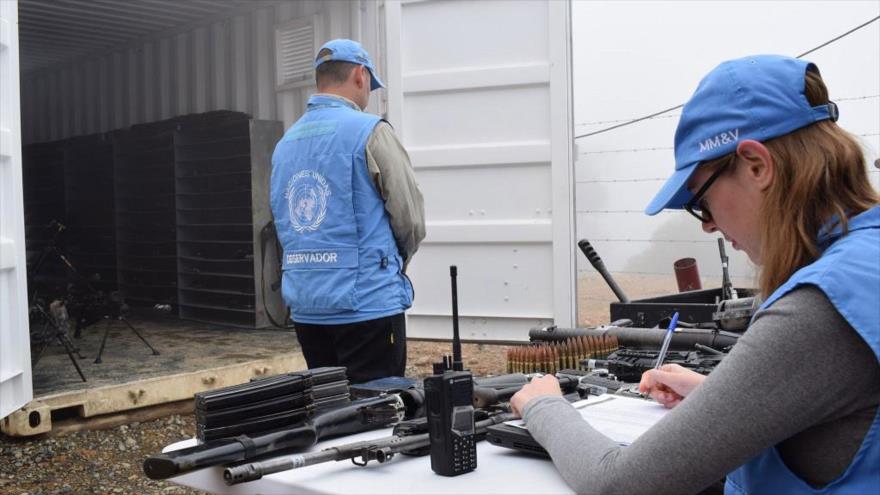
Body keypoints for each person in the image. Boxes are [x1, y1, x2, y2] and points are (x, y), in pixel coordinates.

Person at [511, 55, 879, 494]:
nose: (707, 224)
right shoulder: (865, 263)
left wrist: (544, 406)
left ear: (757, 165)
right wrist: (723, 399)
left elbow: (619, 485)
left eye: (701, 201)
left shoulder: (822, 306)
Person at [269, 39, 425, 384]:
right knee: (377, 412)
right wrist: (398, 261)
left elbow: (285, 223)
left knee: (329, 408)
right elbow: (410, 218)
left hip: (308, 308)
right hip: (367, 304)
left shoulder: (286, 144)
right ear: (359, 74)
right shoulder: (370, 132)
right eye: (370, 82)